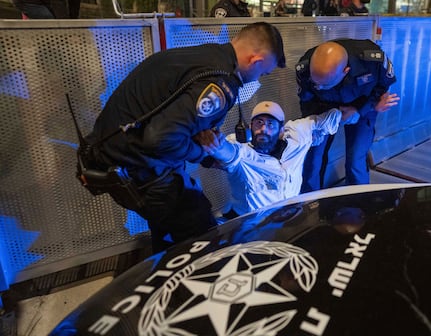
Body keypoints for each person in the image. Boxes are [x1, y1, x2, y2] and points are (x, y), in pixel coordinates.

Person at [79, 22, 286, 252]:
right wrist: (200, 152)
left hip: (114, 156)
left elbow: (173, 122)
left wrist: (206, 158)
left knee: (168, 231)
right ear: (255, 61)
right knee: (201, 237)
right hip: (138, 167)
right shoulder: (220, 83)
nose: (258, 79)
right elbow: (160, 139)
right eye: (263, 72)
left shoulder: (203, 56)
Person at [197, 101, 352, 217]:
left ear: (281, 130)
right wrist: (216, 146)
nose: (263, 129)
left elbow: (330, 118)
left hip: (288, 216)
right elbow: (228, 153)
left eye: (270, 124)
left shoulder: (297, 135)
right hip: (247, 224)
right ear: (250, 127)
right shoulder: (242, 151)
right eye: (259, 123)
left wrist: (353, 112)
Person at [296, 39, 399, 192]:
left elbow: (382, 86)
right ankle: (311, 203)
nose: (319, 87)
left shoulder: (371, 60)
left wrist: (362, 109)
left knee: (356, 159)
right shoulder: (304, 67)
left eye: (325, 84)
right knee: (313, 160)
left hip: (362, 105)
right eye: (316, 82)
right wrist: (312, 126)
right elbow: (307, 101)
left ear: (346, 71)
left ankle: (357, 203)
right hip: (322, 109)